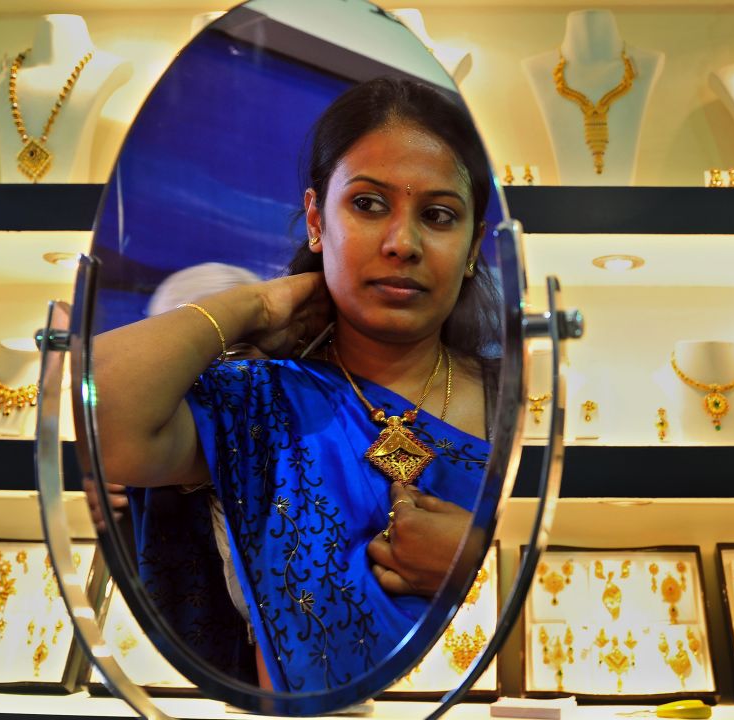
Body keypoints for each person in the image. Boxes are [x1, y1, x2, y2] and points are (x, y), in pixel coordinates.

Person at [94, 76, 500, 692]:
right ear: (316, 219)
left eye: (439, 216)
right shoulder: (255, 401)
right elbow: (101, 410)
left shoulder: (522, 402)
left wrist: (478, 559)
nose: (402, 243)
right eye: (367, 204)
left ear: (472, 245)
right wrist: (255, 305)